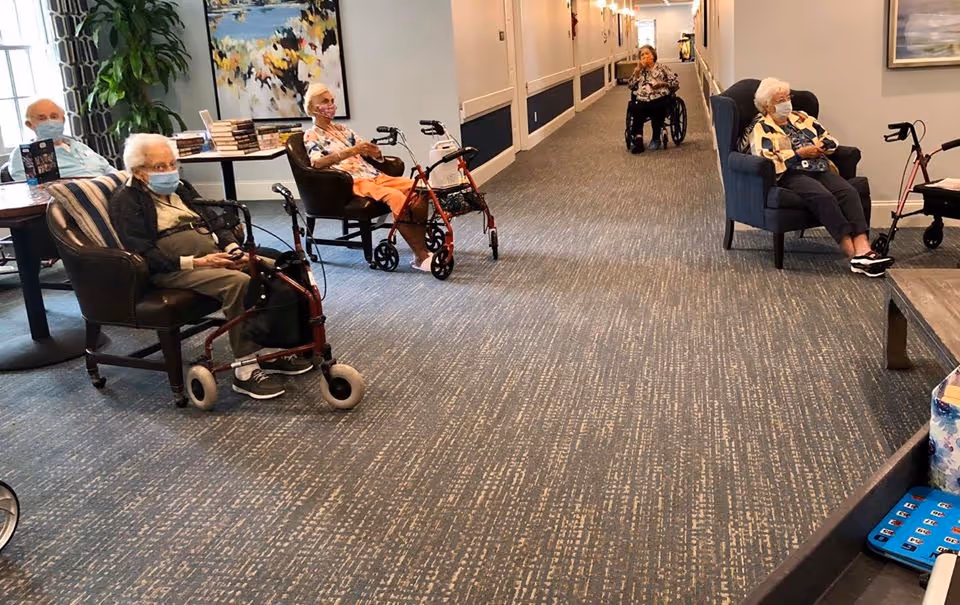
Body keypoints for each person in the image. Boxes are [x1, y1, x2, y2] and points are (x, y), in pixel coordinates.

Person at [109, 133, 313, 400]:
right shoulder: (127, 200)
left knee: (280, 267)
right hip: (173, 270)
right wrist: (197, 262)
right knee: (239, 283)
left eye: (172, 164)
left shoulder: (181, 187)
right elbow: (143, 252)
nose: (169, 171)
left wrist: (233, 249)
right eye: (160, 166)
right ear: (139, 172)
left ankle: (272, 350)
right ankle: (245, 370)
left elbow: (214, 220)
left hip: (212, 255)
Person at [749, 78, 894, 277]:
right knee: (824, 197)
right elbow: (766, 158)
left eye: (788, 97)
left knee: (848, 192)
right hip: (792, 173)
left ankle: (864, 249)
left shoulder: (802, 117)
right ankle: (854, 256)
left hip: (820, 166)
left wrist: (823, 146)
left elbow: (828, 137)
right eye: (781, 100)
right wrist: (799, 154)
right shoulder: (761, 127)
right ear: (767, 105)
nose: (787, 103)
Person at [301, 83, 433, 272]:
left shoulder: (342, 130)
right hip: (352, 181)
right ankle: (421, 256)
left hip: (374, 174)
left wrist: (376, 153)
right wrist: (351, 151)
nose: (331, 105)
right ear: (313, 108)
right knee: (396, 197)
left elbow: (365, 148)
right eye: (325, 101)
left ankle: (421, 248)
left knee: (419, 188)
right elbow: (317, 163)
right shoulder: (311, 135)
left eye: (332, 100)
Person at [7, 98, 115, 181]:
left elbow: (108, 168)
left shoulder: (79, 146)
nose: (50, 122)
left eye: (54, 117)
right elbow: (29, 189)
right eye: (42, 118)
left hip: (107, 190)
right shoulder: (25, 153)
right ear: (30, 125)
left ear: (62, 120)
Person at [627, 45, 679, 154]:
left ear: (653, 55)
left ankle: (656, 137)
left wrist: (662, 84)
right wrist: (637, 72)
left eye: (647, 53)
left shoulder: (662, 68)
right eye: (642, 55)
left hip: (660, 97)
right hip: (643, 99)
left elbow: (675, 84)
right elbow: (631, 86)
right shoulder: (639, 70)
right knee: (636, 107)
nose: (644, 56)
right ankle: (638, 139)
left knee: (656, 107)